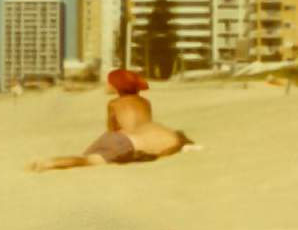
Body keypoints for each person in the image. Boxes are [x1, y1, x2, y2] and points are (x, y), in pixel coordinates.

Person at [29, 68, 192, 171]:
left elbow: (113, 128)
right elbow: (144, 124)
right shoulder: (145, 103)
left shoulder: (114, 103)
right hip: (130, 141)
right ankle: (50, 163)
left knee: (87, 157)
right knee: (88, 160)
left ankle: (51, 162)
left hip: (121, 138)